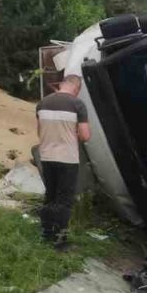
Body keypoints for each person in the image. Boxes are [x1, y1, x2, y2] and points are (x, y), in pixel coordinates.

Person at [36, 75, 90, 249]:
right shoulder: (77, 104)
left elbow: (39, 131)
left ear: (62, 84)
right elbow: (85, 135)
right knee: (65, 199)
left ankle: (46, 233)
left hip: (47, 157)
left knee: (50, 195)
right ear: (77, 88)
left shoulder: (42, 103)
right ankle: (61, 240)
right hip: (67, 158)